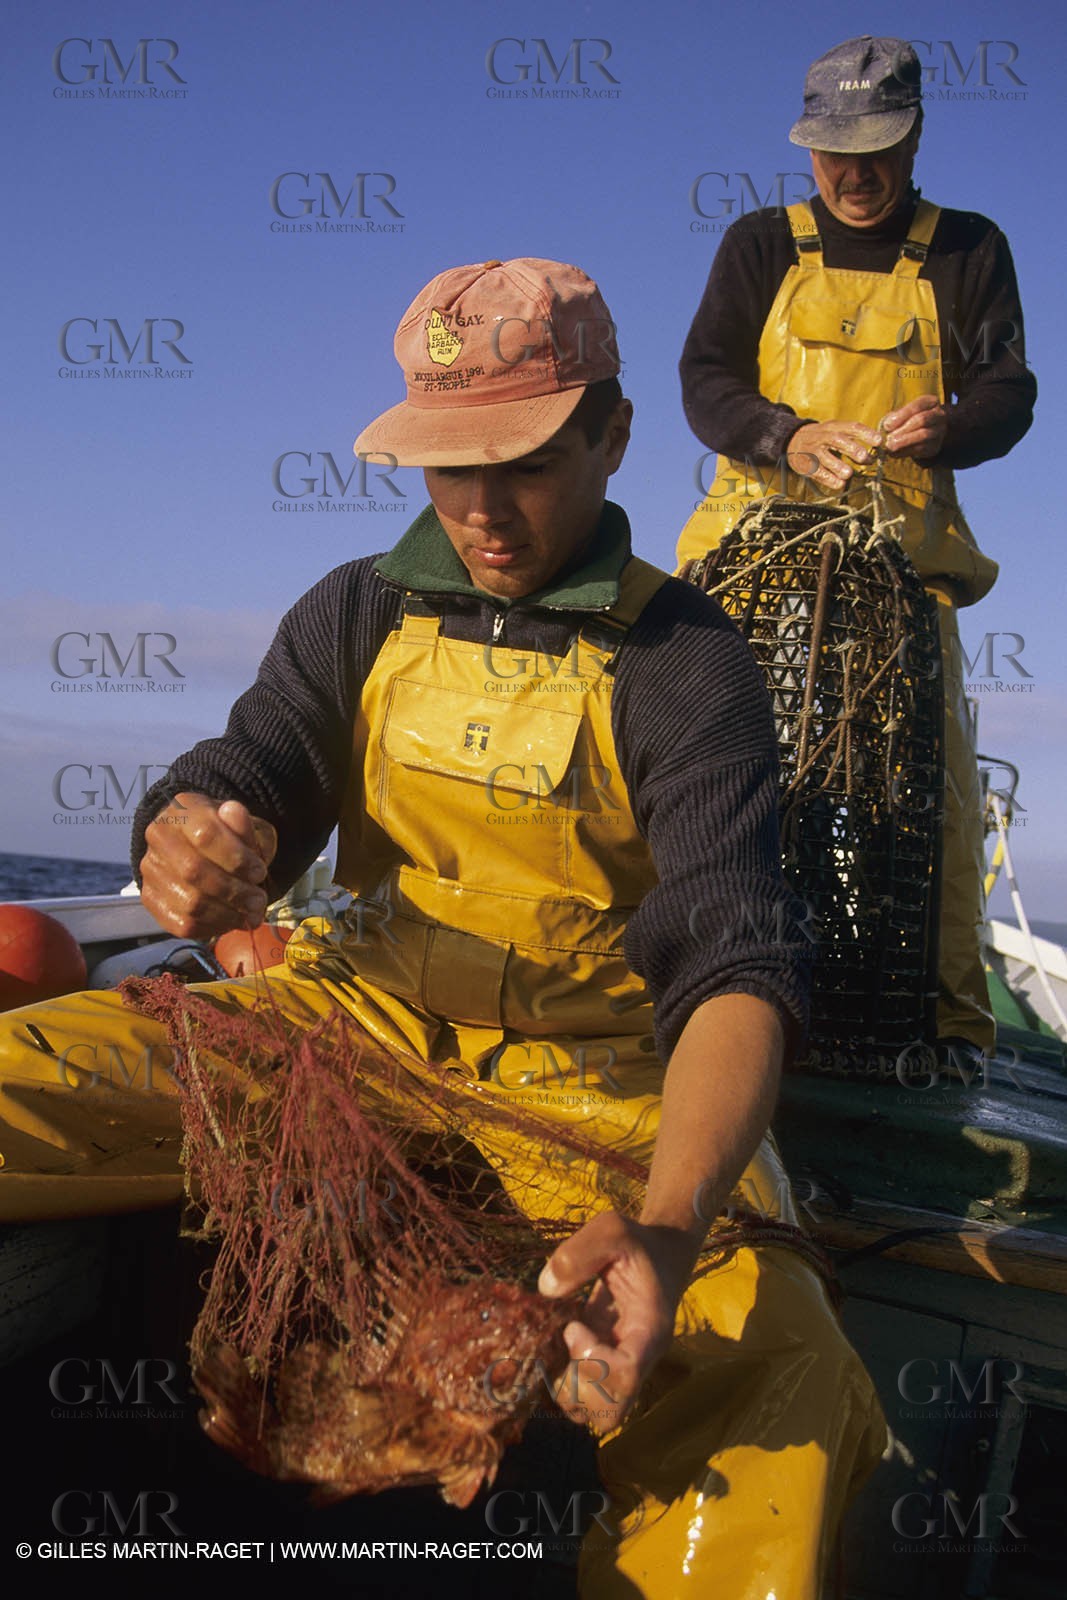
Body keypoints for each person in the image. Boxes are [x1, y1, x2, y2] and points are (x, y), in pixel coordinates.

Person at [0, 258, 884, 1595]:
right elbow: (256, 767)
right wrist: (192, 829)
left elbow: (733, 958)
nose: (478, 508)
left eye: (521, 458)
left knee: (772, 1360)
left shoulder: (684, 660)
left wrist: (662, 1221)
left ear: (610, 434)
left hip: (601, 1078)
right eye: (443, 464)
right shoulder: (357, 608)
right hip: (353, 1017)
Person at [676, 35, 1037, 1057]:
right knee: (712, 776)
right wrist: (781, 435)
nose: (855, 173)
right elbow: (704, 379)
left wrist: (952, 423)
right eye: (833, 152)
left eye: (876, 148)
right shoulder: (757, 243)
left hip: (900, 577)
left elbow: (1008, 394)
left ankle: (943, 1036)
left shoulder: (967, 248)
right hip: (748, 563)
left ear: (915, 134)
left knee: (929, 801)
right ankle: (692, 988)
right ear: (806, 146)